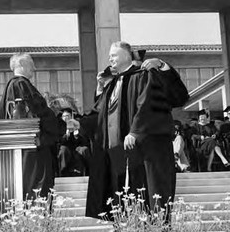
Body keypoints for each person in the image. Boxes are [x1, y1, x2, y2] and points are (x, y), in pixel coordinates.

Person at [80, 41, 189, 220]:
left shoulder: (145, 75)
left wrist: (135, 132)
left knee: (152, 195)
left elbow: (150, 105)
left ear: (126, 55)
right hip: (120, 154)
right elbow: (100, 114)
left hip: (146, 149)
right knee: (123, 199)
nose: (110, 58)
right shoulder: (113, 84)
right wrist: (99, 91)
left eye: (113, 55)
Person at [0, 53, 61, 198]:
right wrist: (57, 120)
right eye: (31, 64)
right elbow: (38, 113)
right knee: (37, 189)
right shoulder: (21, 84)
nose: (35, 68)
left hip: (22, 148)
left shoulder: (9, 87)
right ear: (22, 65)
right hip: (33, 147)